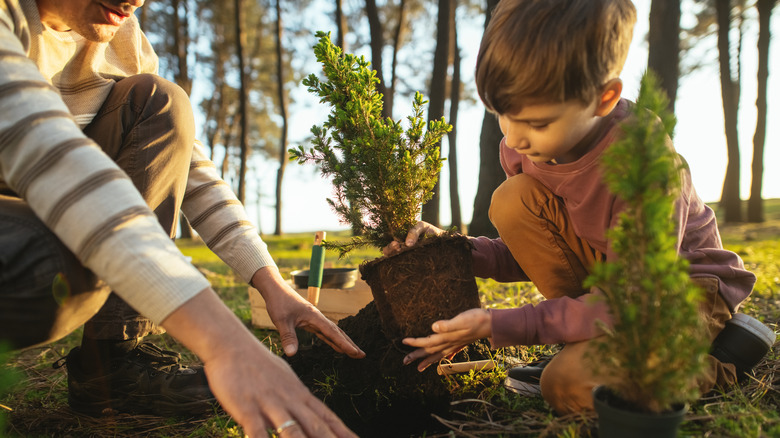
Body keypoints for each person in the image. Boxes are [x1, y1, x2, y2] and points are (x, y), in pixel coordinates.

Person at [0, 0, 364, 436]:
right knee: (46, 269)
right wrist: (226, 342)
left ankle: (112, 363)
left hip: (63, 200)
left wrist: (271, 282)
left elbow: (187, 170)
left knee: (161, 101)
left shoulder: (124, 37)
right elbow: (44, 149)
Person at [385, 0, 763, 414]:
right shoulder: (525, 150)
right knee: (511, 200)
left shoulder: (642, 165)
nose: (513, 139)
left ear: (604, 97)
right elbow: (539, 251)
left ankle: (723, 361)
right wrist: (453, 251)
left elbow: (627, 303)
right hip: (607, 290)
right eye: (501, 115)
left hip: (676, 293)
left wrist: (501, 324)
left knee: (569, 385)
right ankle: (585, 340)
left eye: (538, 123)